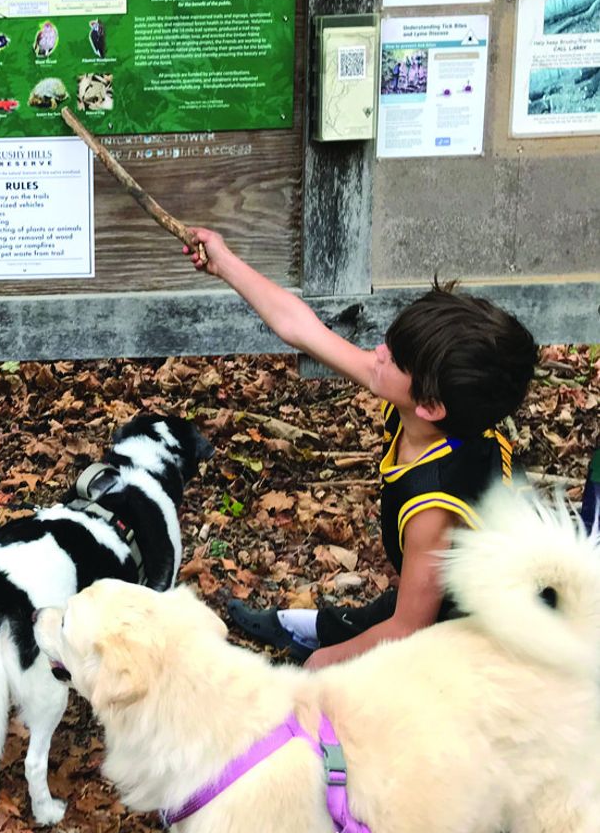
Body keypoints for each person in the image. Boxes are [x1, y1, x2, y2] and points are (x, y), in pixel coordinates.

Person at [184, 227, 538, 671]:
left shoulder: (435, 507)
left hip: (484, 644)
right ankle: (316, 627)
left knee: (328, 668)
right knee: (374, 620)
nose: (378, 351)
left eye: (396, 356)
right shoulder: (431, 416)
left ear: (430, 405)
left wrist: (320, 668)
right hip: (452, 600)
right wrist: (225, 263)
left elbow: (410, 630)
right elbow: (303, 329)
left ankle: (320, 644)